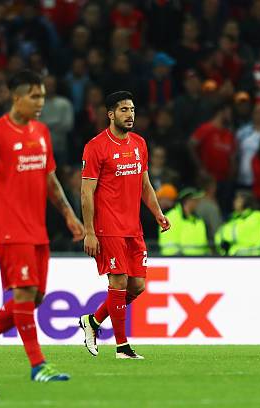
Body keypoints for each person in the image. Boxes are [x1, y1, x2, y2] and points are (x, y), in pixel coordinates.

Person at [0, 70, 84, 382]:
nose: (40, 103)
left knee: (35, 298)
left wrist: (68, 213)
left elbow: (50, 178)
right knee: (24, 294)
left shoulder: (41, 131)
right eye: (34, 96)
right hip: (10, 228)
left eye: (42, 96)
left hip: (37, 227)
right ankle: (38, 366)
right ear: (16, 97)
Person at [78, 91, 170, 360]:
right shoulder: (95, 147)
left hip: (133, 226)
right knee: (118, 281)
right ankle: (122, 347)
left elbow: (145, 184)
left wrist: (157, 213)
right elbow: (86, 193)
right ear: (110, 115)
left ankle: (93, 322)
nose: (130, 115)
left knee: (137, 286)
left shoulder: (140, 144)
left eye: (132, 110)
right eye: (123, 110)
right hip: (108, 227)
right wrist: (89, 232)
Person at [158, 188, 209, 256]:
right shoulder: (171, 217)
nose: (198, 203)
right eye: (195, 200)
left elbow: (204, 245)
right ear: (187, 201)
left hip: (199, 261)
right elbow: (168, 246)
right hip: (178, 261)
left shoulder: (198, 221)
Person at [215, 190, 260, 256]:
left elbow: (240, 234)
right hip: (232, 256)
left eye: (238, 201)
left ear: (246, 203)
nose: (234, 203)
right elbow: (219, 235)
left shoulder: (256, 217)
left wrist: (226, 239)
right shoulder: (233, 217)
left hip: (250, 259)